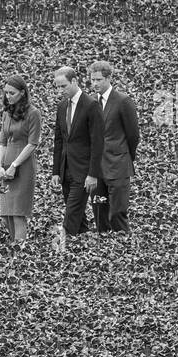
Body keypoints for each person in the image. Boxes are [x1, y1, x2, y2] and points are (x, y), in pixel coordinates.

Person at [87, 60, 139, 233]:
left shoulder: (123, 101)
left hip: (118, 166)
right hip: (96, 170)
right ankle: (105, 253)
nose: (94, 84)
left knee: (117, 213)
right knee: (99, 212)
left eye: (98, 80)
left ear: (109, 78)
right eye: (92, 80)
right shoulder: (91, 102)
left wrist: (124, 156)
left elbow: (133, 135)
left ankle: (125, 251)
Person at [50, 66, 103, 237]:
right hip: (65, 171)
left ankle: (60, 250)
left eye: (63, 86)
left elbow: (98, 142)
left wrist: (93, 174)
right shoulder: (61, 106)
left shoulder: (91, 105)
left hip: (83, 172)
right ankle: (85, 249)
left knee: (71, 215)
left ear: (74, 81)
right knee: (78, 219)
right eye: (57, 87)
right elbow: (59, 140)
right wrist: (56, 171)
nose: (60, 90)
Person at [0, 75, 42, 248]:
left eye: (12, 93)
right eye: (6, 92)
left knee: (17, 213)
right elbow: (2, 142)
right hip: (7, 163)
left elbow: (33, 143)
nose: (8, 96)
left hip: (23, 165)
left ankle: (20, 252)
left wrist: (15, 165)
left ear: (22, 93)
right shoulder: (7, 113)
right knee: (6, 214)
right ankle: (15, 246)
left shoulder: (33, 113)